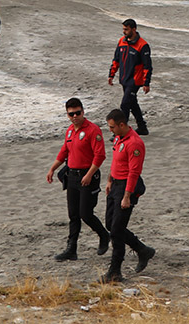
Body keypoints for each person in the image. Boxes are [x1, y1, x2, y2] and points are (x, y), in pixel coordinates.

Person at [46, 98, 112, 261]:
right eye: (71, 114)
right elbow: (64, 151)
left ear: (83, 112)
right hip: (72, 177)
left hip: (88, 176)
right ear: (67, 115)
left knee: (86, 214)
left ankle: (104, 235)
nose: (75, 116)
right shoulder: (70, 131)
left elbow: (100, 155)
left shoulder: (92, 130)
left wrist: (89, 174)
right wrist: (53, 168)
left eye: (78, 113)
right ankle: (71, 249)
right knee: (73, 215)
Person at [98, 109, 156, 283]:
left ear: (122, 125)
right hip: (115, 184)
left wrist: (127, 196)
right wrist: (109, 180)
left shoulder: (134, 143)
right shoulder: (118, 138)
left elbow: (134, 172)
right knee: (110, 224)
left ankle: (115, 271)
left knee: (116, 231)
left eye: (112, 127)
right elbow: (116, 161)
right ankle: (142, 249)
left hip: (126, 187)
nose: (110, 130)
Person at [107, 19, 152, 135]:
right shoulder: (121, 41)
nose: (124, 32)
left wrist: (146, 83)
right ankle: (142, 127)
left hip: (135, 81)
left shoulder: (143, 45)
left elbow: (148, 66)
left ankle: (121, 132)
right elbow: (116, 60)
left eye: (126, 29)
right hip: (124, 79)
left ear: (134, 29)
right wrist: (111, 75)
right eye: (123, 29)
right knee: (132, 103)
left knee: (125, 104)